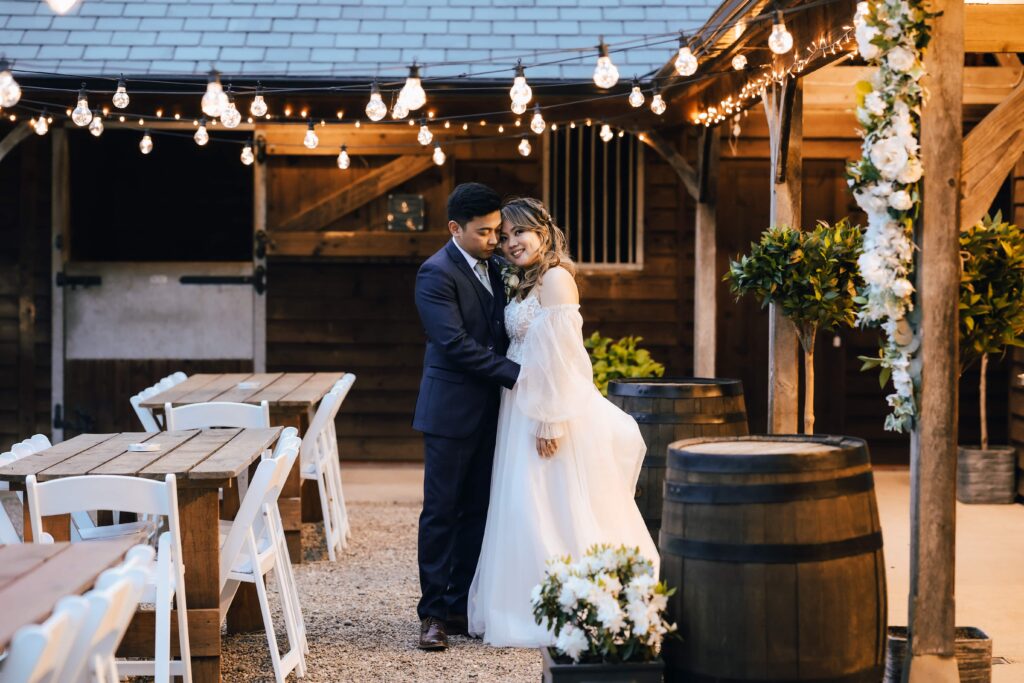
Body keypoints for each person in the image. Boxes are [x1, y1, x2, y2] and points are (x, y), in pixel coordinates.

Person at [467, 196, 658, 647]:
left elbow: (565, 357)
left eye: (521, 232)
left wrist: (550, 418)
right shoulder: (524, 282)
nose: (512, 243)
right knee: (521, 503)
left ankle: (574, 600)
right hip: (519, 401)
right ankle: (522, 601)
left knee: (548, 502)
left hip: (546, 407)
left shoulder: (556, 279)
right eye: (506, 235)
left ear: (544, 233)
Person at [412, 182, 520, 651]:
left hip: (495, 412)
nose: (495, 240)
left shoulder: (498, 267)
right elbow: (454, 344)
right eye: (485, 232)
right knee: (441, 512)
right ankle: (432, 614)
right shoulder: (434, 273)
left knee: (478, 508)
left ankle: (460, 606)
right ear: (455, 228)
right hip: (451, 411)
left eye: (498, 231)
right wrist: (519, 374)